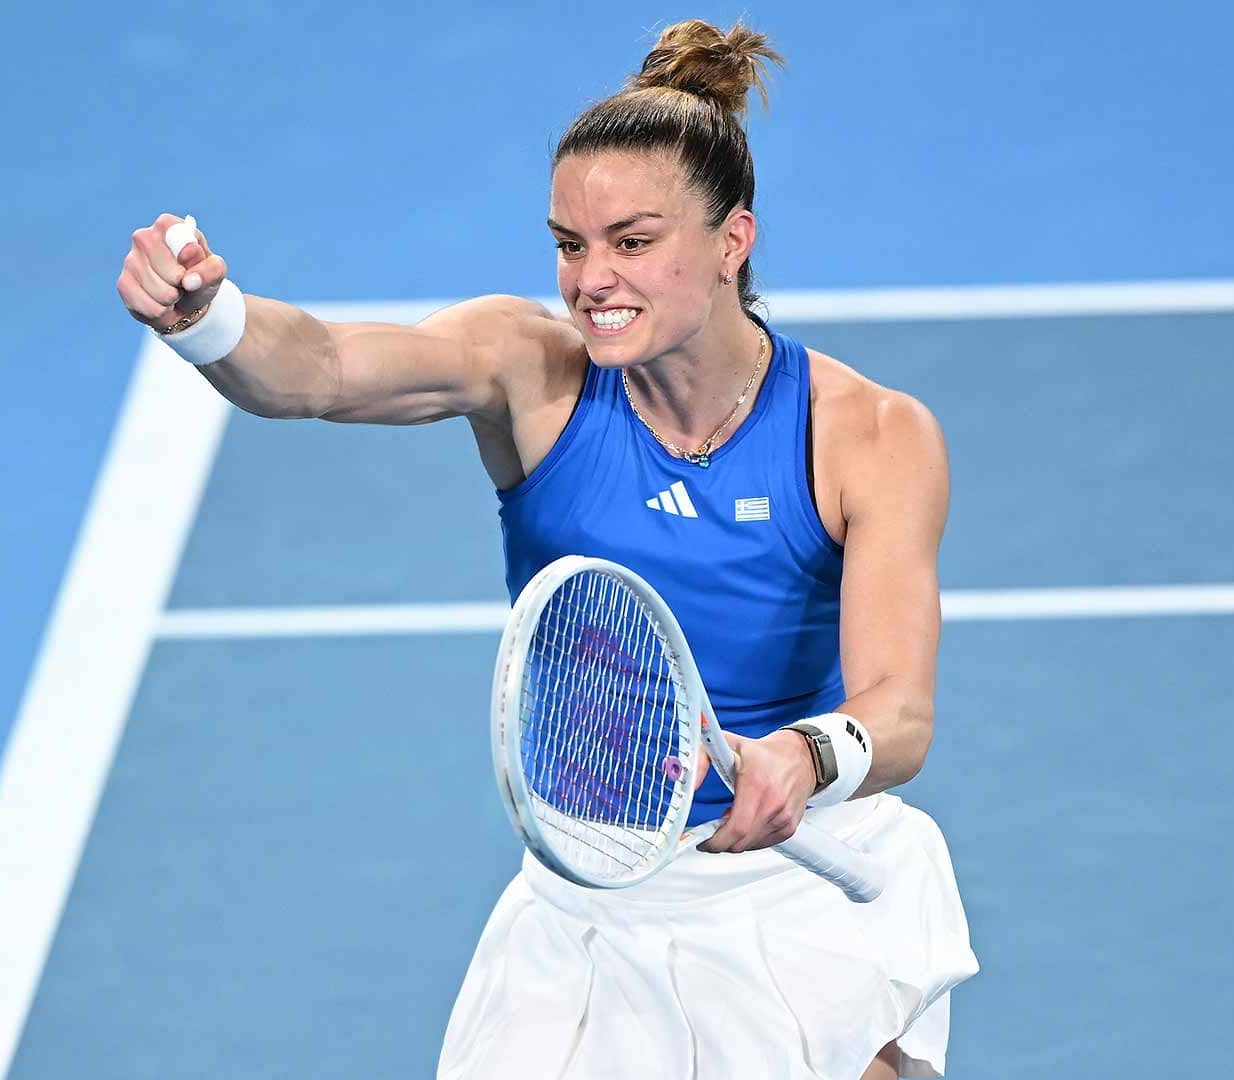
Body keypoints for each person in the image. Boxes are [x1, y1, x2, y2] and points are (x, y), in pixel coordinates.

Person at [115, 18, 976, 1079]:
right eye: (571, 244)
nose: (592, 279)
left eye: (632, 242)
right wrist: (210, 318)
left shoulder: (869, 435)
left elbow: (900, 712)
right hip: (587, 900)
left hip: (800, 886)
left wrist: (803, 756)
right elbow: (321, 369)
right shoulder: (528, 369)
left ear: (732, 243)